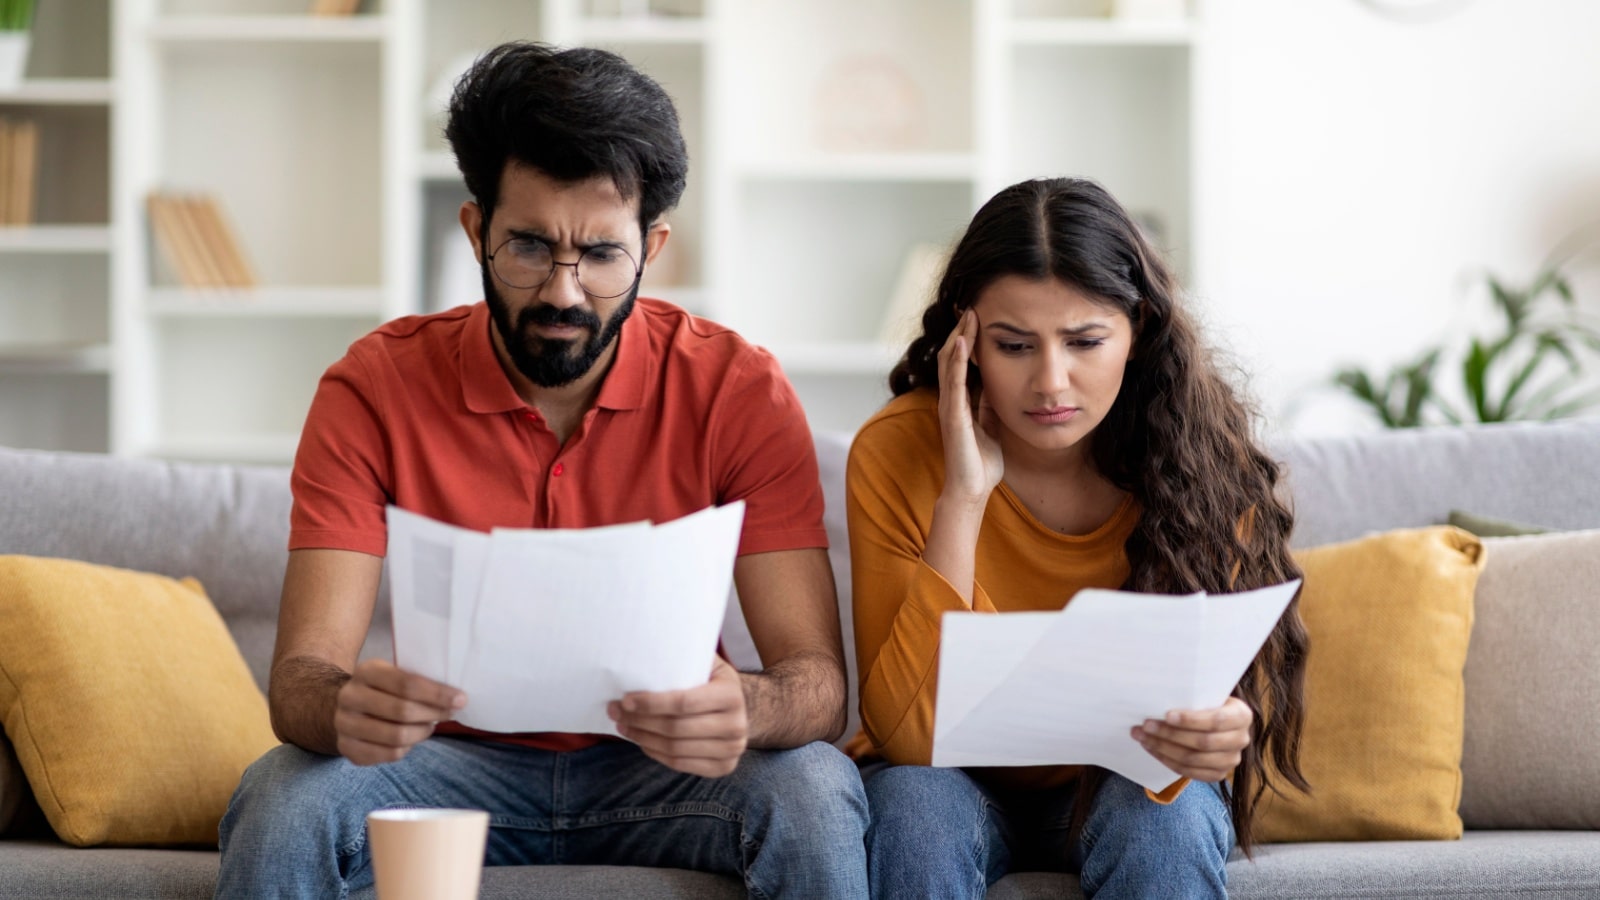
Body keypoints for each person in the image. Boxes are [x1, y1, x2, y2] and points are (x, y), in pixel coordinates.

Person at [215, 42, 868, 899]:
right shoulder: (373, 387)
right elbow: (299, 681)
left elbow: (818, 687)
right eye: (528, 246)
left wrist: (748, 706)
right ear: (476, 231)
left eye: (601, 254)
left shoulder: (737, 389)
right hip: (443, 770)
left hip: (667, 775)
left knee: (815, 788)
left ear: (652, 246)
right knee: (281, 796)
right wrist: (344, 707)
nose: (564, 292)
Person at [846, 177, 1310, 899]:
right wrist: (963, 498)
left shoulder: (1202, 457)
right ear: (965, 341)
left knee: (1168, 817)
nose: (1051, 383)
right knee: (914, 809)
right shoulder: (895, 451)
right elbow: (909, 736)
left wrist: (1221, 729)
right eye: (1013, 345)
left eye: (1085, 341)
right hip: (946, 781)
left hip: (1119, 780)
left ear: (1139, 330)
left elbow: (1240, 696)